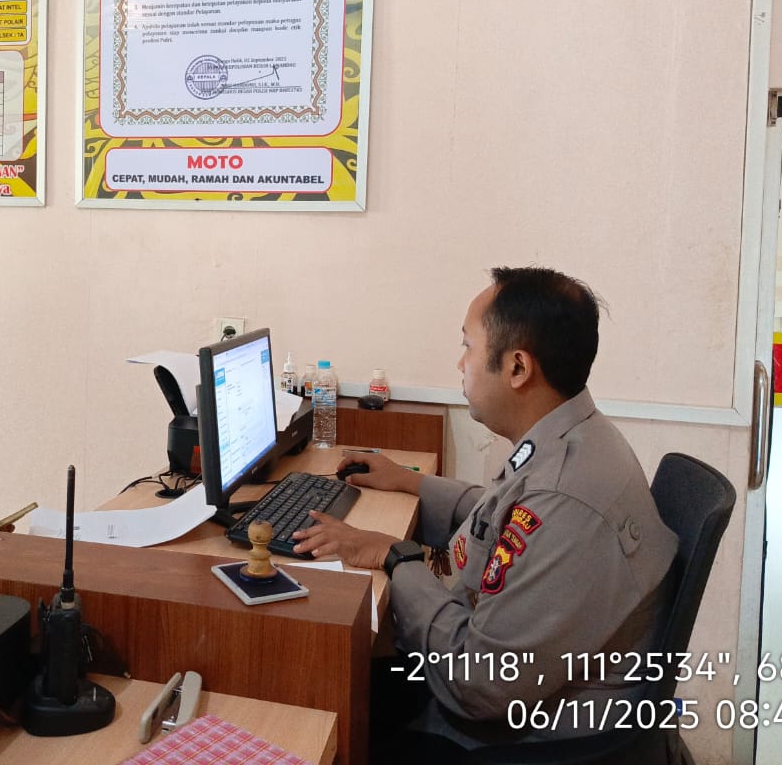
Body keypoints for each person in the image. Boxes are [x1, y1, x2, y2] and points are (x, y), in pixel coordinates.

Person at [291, 266, 679, 751]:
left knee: (320, 692)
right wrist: (411, 482)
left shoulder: (565, 496)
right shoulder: (573, 438)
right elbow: (505, 516)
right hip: (525, 688)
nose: (461, 364)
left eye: (468, 346)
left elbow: (478, 684)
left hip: (522, 737)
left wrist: (396, 558)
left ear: (517, 368)